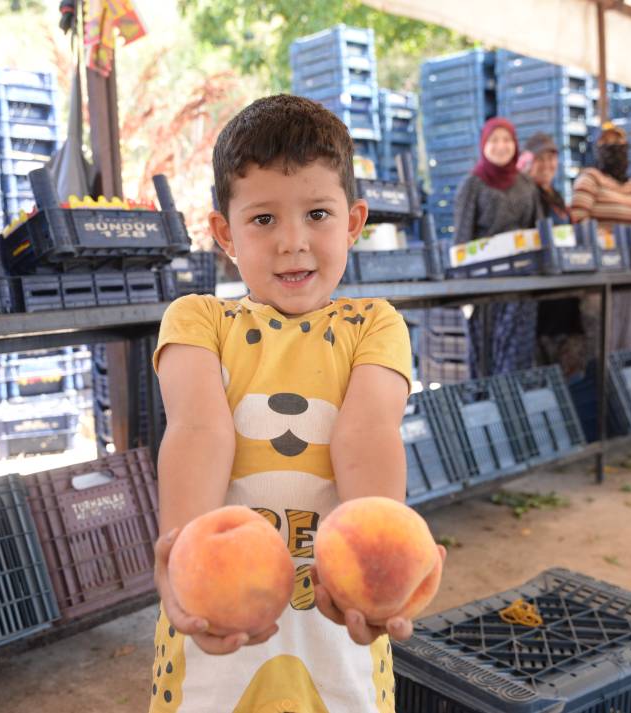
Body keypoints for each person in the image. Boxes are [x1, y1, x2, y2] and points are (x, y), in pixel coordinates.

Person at [148, 94, 445, 712]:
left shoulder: (375, 324)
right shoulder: (197, 319)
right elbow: (199, 430)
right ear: (224, 233)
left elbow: (366, 436)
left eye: (317, 213)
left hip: (339, 621)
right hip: (217, 619)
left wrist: (378, 558)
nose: (293, 242)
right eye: (263, 220)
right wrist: (182, 556)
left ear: (353, 222)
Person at [454, 118, 542, 377]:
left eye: (506, 140)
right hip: (485, 289)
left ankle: (512, 412)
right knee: (486, 360)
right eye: (494, 140)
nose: (501, 146)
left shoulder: (527, 185)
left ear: (515, 145)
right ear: (484, 145)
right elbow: (461, 240)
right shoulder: (472, 184)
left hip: (521, 290)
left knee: (517, 360)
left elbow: (537, 230)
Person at [571, 123, 631, 359]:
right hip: (599, 273)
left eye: (619, 144)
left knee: (626, 335)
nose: (614, 149)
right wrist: (607, 239)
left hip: (628, 273)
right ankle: (598, 390)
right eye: (606, 144)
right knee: (601, 340)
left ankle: (618, 390)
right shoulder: (590, 178)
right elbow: (578, 218)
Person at [521, 131, 584, 374]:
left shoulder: (556, 196)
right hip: (542, 301)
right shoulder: (527, 194)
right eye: (540, 159)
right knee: (545, 373)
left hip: (567, 294)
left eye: (551, 158)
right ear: (529, 163)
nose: (547, 165)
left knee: (570, 370)